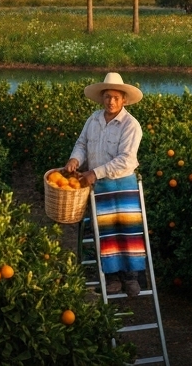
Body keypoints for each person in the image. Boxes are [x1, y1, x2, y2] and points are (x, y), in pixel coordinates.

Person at [65, 72, 146, 297]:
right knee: (105, 233)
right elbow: (81, 143)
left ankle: (131, 278)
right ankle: (112, 278)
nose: (111, 101)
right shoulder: (94, 120)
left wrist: (95, 172)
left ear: (124, 100)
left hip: (121, 186)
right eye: (107, 97)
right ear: (102, 98)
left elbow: (126, 160)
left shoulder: (131, 125)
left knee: (126, 231)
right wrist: (76, 159)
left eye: (115, 97)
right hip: (99, 188)